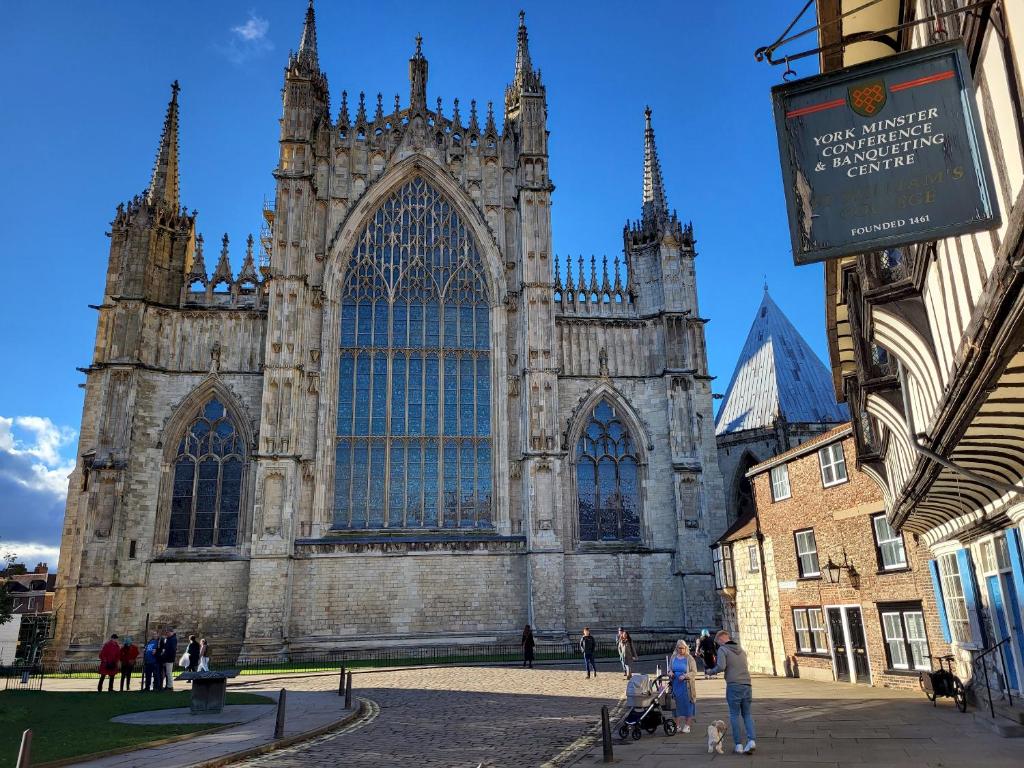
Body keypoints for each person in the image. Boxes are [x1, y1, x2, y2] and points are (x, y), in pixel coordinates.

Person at [707, 629, 756, 755]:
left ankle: (738, 744)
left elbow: (721, 666)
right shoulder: (742, 650)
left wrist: (710, 672)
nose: (718, 645)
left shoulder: (723, 649)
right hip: (747, 684)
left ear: (721, 639)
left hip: (734, 685)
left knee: (734, 715)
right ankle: (751, 741)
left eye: (718, 642)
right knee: (747, 714)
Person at [669, 638, 697, 733]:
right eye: (679, 648)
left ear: (685, 648)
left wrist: (685, 675)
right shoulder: (673, 657)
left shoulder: (689, 658)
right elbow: (670, 669)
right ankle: (676, 725)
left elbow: (694, 672)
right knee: (675, 705)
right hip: (675, 684)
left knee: (687, 704)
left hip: (686, 685)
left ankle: (687, 725)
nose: (680, 650)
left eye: (682, 648)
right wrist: (670, 672)